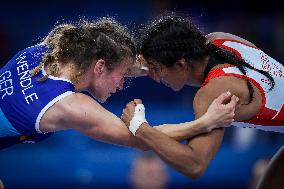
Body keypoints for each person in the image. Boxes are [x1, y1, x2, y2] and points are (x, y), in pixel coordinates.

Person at [0, 17, 237, 150]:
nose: (122, 84)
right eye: (123, 75)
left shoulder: (49, 51)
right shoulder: (70, 106)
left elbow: (117, 58)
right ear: (100, 67)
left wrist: (173, 59)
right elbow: (144, 137)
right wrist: (206, 122)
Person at [121, 13, 284, 182]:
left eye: (156, 69)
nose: (154, 77)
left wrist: (140, 127)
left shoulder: (213, 93)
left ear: (180, 64)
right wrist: (146, 64)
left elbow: (195, 165)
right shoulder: (219, 40)